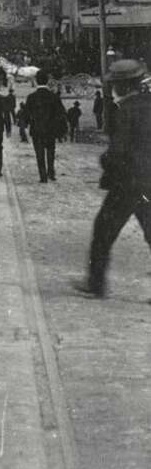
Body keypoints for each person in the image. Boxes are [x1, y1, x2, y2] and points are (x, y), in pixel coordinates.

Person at [74, 60, 151, 298]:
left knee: (103, 231)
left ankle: (96, 284)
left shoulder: (124, 111)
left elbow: (118, 152)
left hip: (126, 184)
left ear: (122, 86)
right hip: (148, 183)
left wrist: (106, 162)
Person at [22, 70, 68, 184]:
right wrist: (61, 129)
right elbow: (61, 113)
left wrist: (25, 126)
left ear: (36, 81)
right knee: (51, 151)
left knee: (39, 153)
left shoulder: (31, 97)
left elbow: (26, 114)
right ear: (47, 81)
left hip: (37, 129)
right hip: (50, 129)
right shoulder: (54, 97)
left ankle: (43, 176)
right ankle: (51, 173)